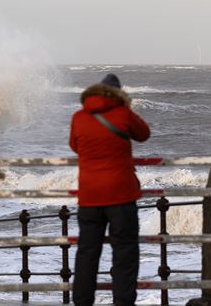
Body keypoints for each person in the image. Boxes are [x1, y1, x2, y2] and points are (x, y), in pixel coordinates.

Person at [69, 73, 150, 306]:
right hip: (121, 195)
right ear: (118, 93)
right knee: (124, 253)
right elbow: (143, 134)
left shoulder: (79, 117)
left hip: (90, 196)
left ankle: (82, 302)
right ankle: (123, 302)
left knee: (87, 253)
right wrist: (127, 108)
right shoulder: (123, 113)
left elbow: (75, 145)